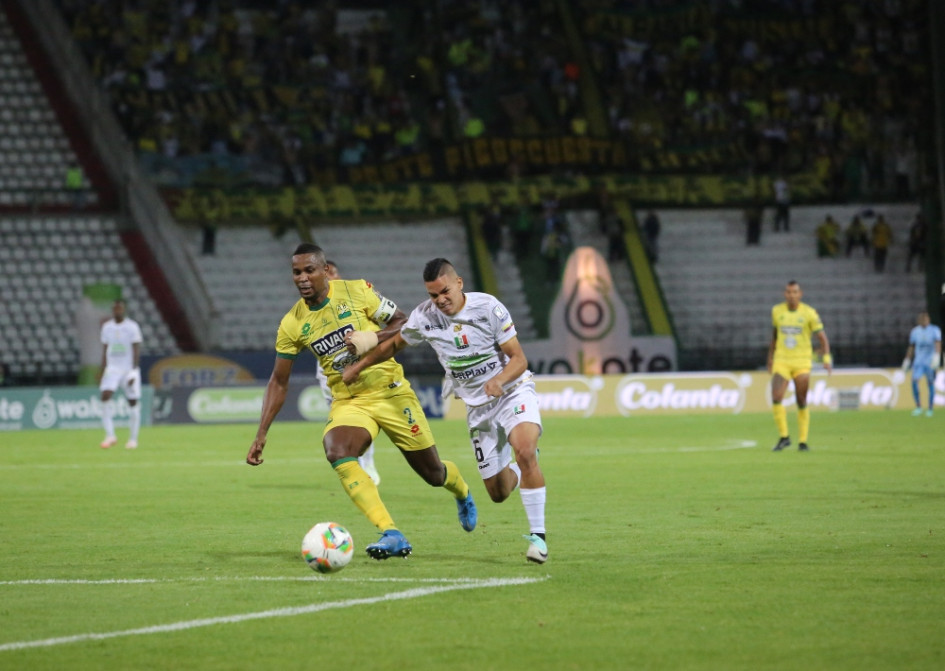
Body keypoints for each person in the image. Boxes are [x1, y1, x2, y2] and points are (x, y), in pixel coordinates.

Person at [246, 243, 477, 560]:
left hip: (390, 391)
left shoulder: (357, 291)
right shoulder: (292, 323)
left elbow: (404, 322)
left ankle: (461, 490)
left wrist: (370, 339)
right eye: (296, 272)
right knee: (337, 450)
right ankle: (391, 532)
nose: (302, 278)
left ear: (325, 271)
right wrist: (261, 433)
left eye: (309, 270)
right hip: (350, 399)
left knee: (433, 474)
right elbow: (279, 381)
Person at [343, 258, 549, 564]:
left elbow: (518, 359)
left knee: (525, 449)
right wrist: (359, 366)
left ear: (459, 283)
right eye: (433, 295)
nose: (440, 300)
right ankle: (521, 467)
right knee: (498, 492)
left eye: (444, 292)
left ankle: (538, 538)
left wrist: (499, 380)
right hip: (478, 409)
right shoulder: (424, 317)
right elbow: (394, 344)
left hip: (511, 391)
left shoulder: (488, 308)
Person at [316, 259, 380, 485]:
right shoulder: (311, 306)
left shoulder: (354, 296)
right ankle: (355, 462)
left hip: (358, 364)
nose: (331, 277)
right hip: (329, 371)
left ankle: (367, 462)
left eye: (333, 272)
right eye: (326, 274)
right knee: (341, 417)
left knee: (365, 413)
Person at [767, 281, 832, 452]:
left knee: (801, 400)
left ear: (800, 294)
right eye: (788, 292)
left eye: (795, 292)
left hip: (802, 362)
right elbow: (775, 336)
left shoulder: (809, 313)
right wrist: (770, 357)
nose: (791, 295)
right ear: (785, 294)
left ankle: (803, 441)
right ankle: (784, 437)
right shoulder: (777, 311)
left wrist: (826, 358)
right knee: (776, 397)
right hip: (782, 360)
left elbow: (822, 338)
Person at [98, 299, 142, 449]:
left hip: (128, 369)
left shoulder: (132, 327)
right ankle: (110, 435)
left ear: (124, 310)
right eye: (115, 309)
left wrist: (134, 372)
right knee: (105, 395)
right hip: (112, 369)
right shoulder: (107, 327)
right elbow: (105, 349)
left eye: (120, 308)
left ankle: (133, 439)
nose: (117, 311)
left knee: (133, 402)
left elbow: (136, 349)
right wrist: (102, 369)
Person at [901, 311, 941, 417]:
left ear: (929, 320)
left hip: (930, 362)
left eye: (926, 319)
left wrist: (937, 356)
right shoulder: (915, 332)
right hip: (918, 362)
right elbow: (911, 347)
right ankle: (918, 407)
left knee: (930, 383)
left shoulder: (935, 330)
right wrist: (907, 359)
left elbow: (938, 343)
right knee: (914, 381)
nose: (924, 321)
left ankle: (930, 408)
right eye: (922, 319)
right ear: (919, 320)